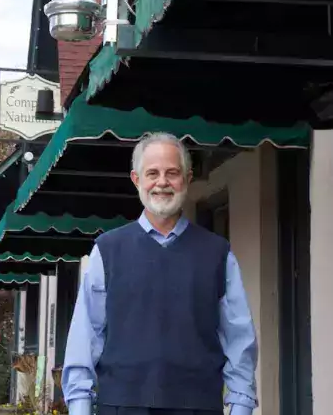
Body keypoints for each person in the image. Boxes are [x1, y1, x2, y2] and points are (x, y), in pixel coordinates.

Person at [62, 133, 258, 415]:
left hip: (198, 407)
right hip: (120, 407)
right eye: (152, 173)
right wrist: (80, 406)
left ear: (188, 179)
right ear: (136, 179)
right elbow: (85, 335)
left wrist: (241, 407)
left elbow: (240, 339)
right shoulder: (107, 251)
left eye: (172, 173)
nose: (162, 182)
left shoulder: (218, 254)